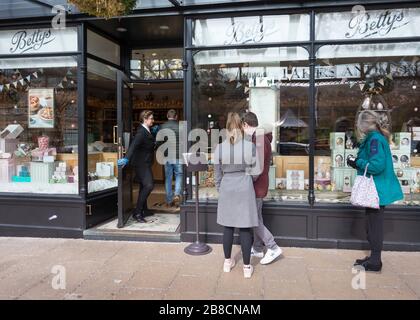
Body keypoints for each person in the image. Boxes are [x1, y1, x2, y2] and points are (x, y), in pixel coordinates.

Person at [347, 110, 403, 272]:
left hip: (376, 190)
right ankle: (373, 257)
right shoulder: (376, 138)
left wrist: (357, 162)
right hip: (376, 189)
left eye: (359, 122)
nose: (358, 126)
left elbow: (377, 166)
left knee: (374, 226)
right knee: (371, 225)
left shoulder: (374, 140)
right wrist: (358, 162)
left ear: (364, 124)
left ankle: (375, 261)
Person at [214, 112, 259, 279]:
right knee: (245, 227)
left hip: (227, 186)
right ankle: (247, 268)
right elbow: (255, 173)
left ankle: (227, 263)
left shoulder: (220, 147)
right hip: (244, 186)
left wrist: (221, 187)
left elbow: (217, 173)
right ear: (241, 126)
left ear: (226, 128)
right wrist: (247, 179)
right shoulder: (249, 146)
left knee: (228, 227)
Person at [241, 112, 283, 265]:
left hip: (255, 186)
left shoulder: (258, 138)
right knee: (257, 217)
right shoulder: (260, 137)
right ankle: (258, 248)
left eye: (242, 126)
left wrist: (247, 181)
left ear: (245, 124)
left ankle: (272, 247)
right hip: (260, 185)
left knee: (253, 219)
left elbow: (256, 168)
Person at [118, 110, 156, 223]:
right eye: (151, 118)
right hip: (141, 164)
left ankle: (144, 209)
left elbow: (148, 144)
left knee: (143, 186)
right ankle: (137, 212)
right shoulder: (141, 132)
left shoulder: (147, 130)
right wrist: (126, 158)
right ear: (145, 119)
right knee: (149, 185)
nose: (153, 120)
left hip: (145, 162)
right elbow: (133, 146)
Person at [157, 109, 183, 209]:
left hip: (167, 156)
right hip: (178, 155)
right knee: (179, 175)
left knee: (168, 177)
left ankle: (169, 200)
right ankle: (177, 194)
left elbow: (159, 142)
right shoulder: (181, 127)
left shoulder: (162, 127)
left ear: (167, 116)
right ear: (176, 117)